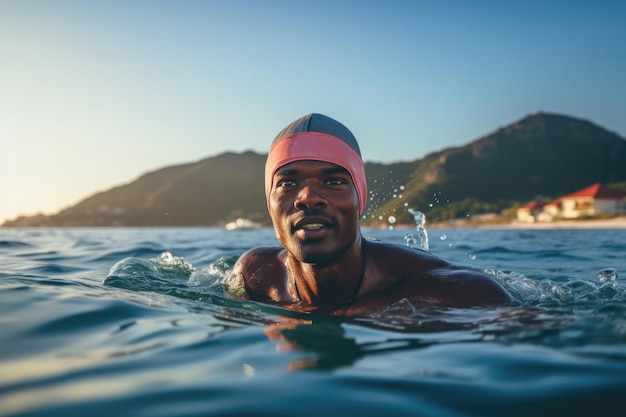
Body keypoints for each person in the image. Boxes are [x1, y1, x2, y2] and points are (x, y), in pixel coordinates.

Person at [227, 113, 514, 315]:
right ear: (270, 203)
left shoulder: (452, 294)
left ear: (358, 198)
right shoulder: (256, 275)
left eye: (334, 182)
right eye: (288, 183)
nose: (309, 198)